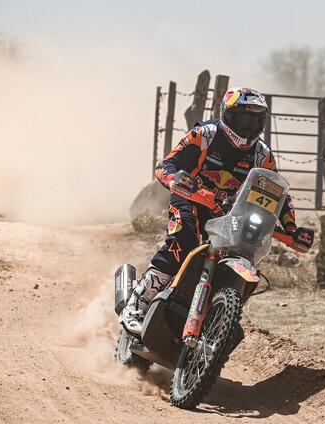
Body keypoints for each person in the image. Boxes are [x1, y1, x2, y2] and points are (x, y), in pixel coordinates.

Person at [119, 87, 311, 335]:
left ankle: (216, 319)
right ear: (227, 115)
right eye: (241, 119)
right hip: (190, 198)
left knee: (244, 250)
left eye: (254, 121)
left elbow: (278, 195)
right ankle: (137, 305)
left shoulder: (263, 155)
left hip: (228, 211)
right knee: (183, 242)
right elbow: (166, 164)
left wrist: (291, 228)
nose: (247, 128)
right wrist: (174, 179)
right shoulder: (205, 135)